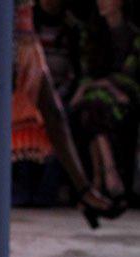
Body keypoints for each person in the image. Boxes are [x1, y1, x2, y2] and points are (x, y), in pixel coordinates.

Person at [12, 0, 121, 224]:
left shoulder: (69, 26)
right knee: (2, 121)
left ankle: (84, 191)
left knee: (54, 114)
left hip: (25, 40)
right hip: (5, 40)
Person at [69, 0, 140, 204]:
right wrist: (88, 87)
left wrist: (101, 86)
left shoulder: (134, 37)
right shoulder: (91, 34)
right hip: (96, 96)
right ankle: (108, 173)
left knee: (92, 107)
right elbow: (86, 71)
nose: (101, 2)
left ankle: (99, 180)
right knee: (91, 107)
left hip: (124, 95)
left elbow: (129, 76)